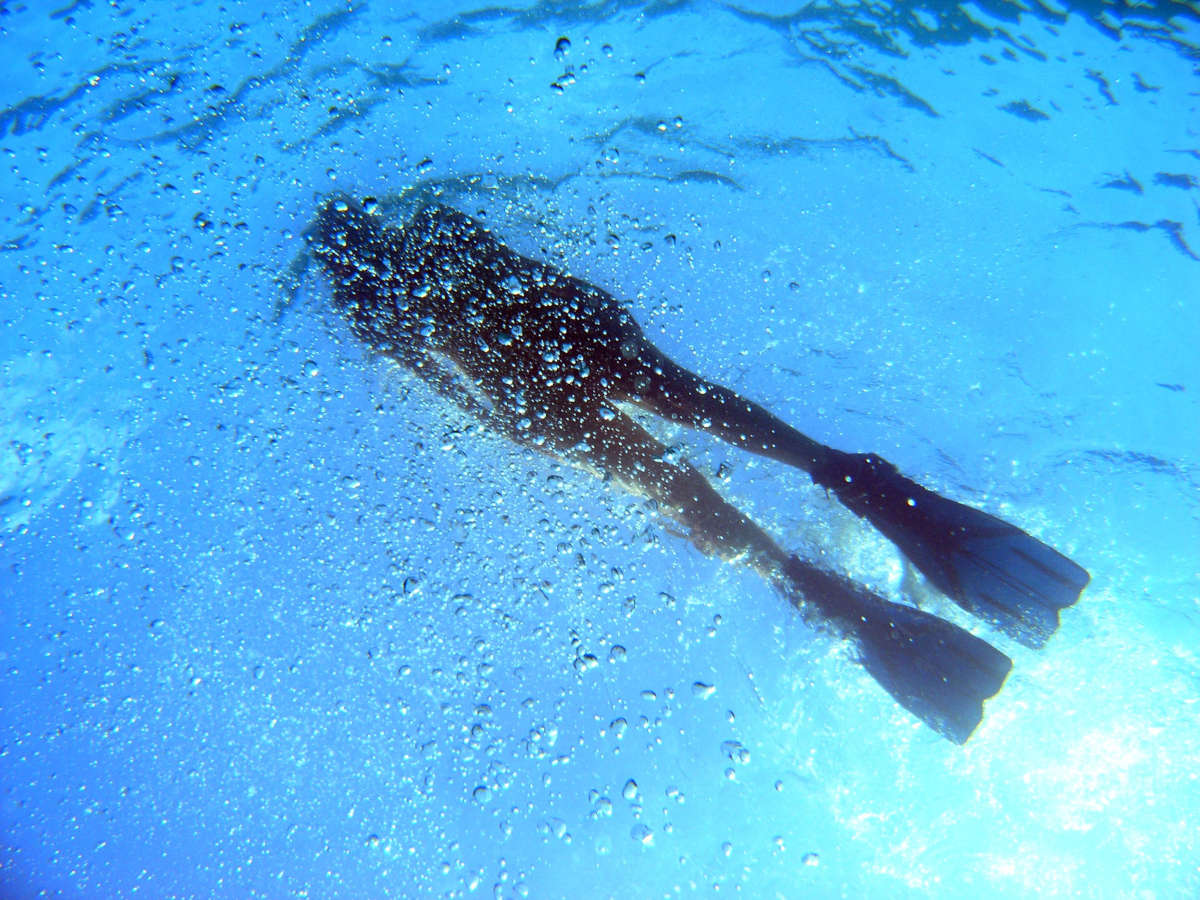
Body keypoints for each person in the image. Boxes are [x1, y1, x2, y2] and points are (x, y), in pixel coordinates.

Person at [307, 194, 1090, 743]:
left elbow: (440, 377)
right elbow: (529, 255)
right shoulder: (433, 223)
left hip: (526, 381)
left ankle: (813, 587)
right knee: (696, 402)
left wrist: (511, 424)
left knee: (677, 490)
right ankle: (849, 475)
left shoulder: (364, 298)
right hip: (569, 322)